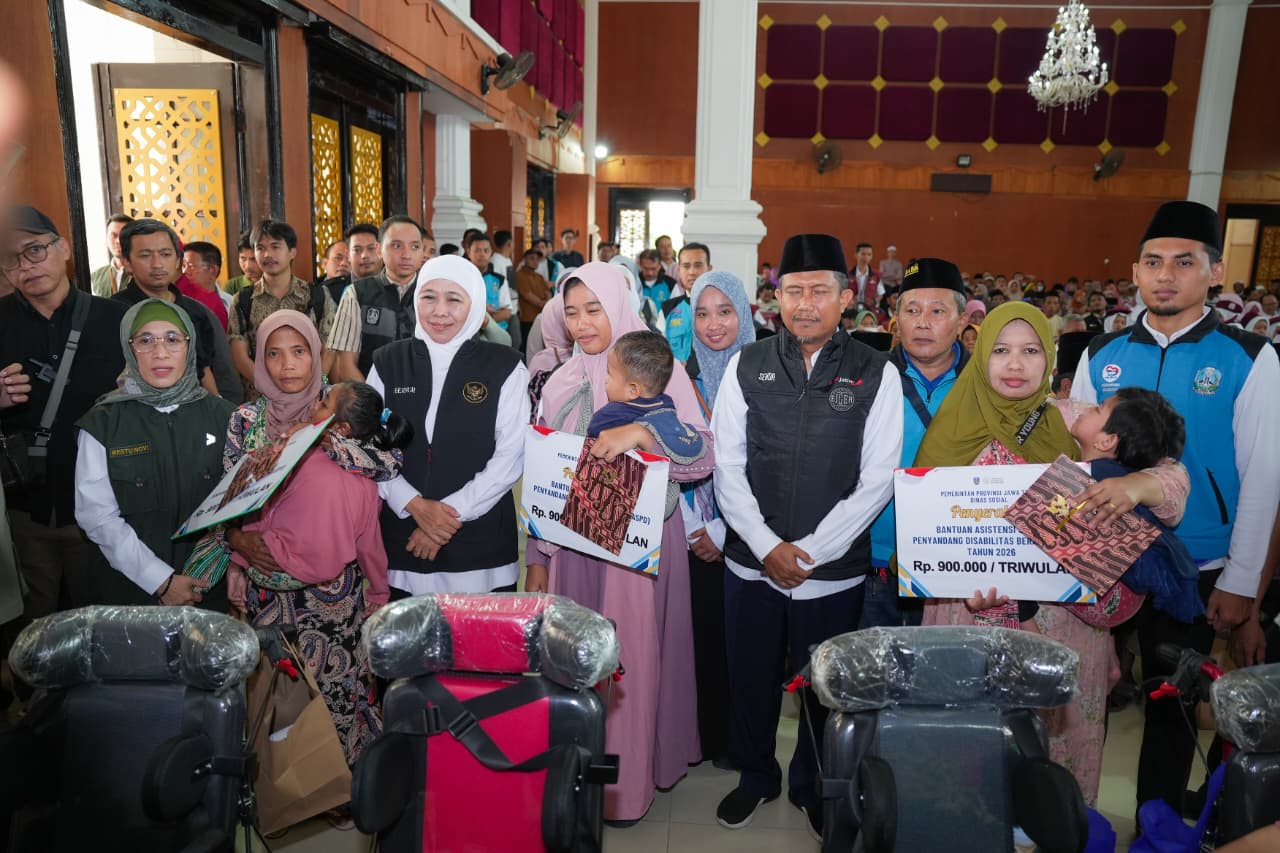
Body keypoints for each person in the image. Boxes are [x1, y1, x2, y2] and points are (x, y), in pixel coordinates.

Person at [1071, 200, 1280, 816]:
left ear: (1215, 272)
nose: (1166, 275)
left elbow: (1264, 476)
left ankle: (1155, 826)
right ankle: (1075, 814)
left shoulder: (1249, 355)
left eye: (1184, 262)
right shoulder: (1102, 351)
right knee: (1086, 694)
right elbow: (1073, 456)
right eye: (1153, 262)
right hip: (1104, 559)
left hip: (1196, 562)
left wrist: (1242, 581)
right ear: (1135, 271)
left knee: (1171, 706)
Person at [711, 234, 902, 838]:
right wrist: (767, 546)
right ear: (777, 298)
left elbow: (878, 478)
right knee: (750, 677)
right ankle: (756, 775)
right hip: (752, 564)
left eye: (819, 291)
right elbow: (726, 465)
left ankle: (813, 786)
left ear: (845, 298)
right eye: (793, 291)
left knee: (823, 687)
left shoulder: (876, 372)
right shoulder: (747, 364)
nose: (804, 303)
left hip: (832, 572)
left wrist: (812, 552)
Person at [524, 261, 711, 822]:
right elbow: (541, 473)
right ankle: (575, 779)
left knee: (631, 656)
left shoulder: (656, 368)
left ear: (619, 305)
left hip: (637, 552)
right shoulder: (559, 380)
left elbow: (703, 455)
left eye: (594, 309)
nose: (582, 323)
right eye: (572, 312)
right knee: (576, 660)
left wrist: (643, 431)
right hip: (573, 547)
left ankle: (626, 790)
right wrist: (537, 557)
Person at [227, 381, 409, 765]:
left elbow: (260, 514)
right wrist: (379, 593)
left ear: (339, 428)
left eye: (325, 402)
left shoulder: (297, 458)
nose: (316, 404)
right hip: (334, 602)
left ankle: (285, 780)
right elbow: (370, 545)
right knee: (338, 691)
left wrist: (240, 558)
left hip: (277, 592)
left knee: (280, 699)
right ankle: (343, 778)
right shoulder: (368, 478)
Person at [368, 255, 530, 596]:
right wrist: (414, 505)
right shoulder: (389, 362)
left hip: (481, 546)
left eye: (454, 299)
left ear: (475, 305)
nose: (439, 311)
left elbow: (511, 456)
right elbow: (370, 447)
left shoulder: (504, 367)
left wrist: (445, 518)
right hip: (404, 539)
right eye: (429, 297)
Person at [1, 206, 127, 639]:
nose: (26, 265)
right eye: (11, 258)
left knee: (104, 628)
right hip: (24, 511)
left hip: (104, 508)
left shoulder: (115, 320)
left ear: (64, 249)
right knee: (32, 636)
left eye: (35, 250)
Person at [74, 300, 234, 609]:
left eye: (173, 339)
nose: (160, 352)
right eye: (145, 340)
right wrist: (160, 581)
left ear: (190, 345)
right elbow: (97, 517)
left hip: (208, 589)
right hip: (131, 595)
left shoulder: (226, 417)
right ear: (129, 348)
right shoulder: (103, 423)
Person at [861, 258, 970, 629]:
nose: (923, 322)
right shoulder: (866, 378)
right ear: (896, 320)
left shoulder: (986, 385)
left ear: (962, 321)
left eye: (937, 311)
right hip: (874, 564)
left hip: (960, 567)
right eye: (912, 310)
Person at [682, 270, 756, 768]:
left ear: (743, 314)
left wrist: (721, 529)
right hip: (692, 533)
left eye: (725, 311)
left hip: (750, 534)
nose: (713, 324)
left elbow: (766, 464)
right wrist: (695, 527)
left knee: (747, 644)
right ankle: (707, 740)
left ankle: (744, 743)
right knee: (703, 639)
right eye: (703, 314)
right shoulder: (679, 379)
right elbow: (669, 457)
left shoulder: (767, 375)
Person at [112, 218, 221, 396]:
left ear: (178, 260)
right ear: (126, 262)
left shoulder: (195, 311)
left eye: (165, 254)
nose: (157, 264)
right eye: (145, 255)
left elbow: (203, 370)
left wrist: (217, 405)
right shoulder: (112, 312)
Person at [228, 220, 337, 386]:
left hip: (310, 394)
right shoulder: (242, 300)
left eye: (275, 247)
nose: (267, 254)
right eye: (260, 248)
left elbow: (328, 348)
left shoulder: (317, 295)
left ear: (292, 252)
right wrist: (270, 388)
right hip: (260, 395)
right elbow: (239, 357)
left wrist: (311, 387)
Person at [328, 215, 428, 382]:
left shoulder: (433, 293)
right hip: (371, 393)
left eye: (415, 246)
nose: (406, 254)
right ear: (379, 249)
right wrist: (374, 397)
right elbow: (346, 365)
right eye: (397, 246)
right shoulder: (357, 293)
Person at [588, 332, 703, 474]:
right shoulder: (666, 404)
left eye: (610, 374)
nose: (605, 380)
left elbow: (591, 443)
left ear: (633, 390)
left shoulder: (609, 415)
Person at [515, 247, 552, 348]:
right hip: (527, 319)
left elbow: (548, 292)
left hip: (542, 316)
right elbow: (527, 295)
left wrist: (547, 303)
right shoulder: (519, 275)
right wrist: (545, 304)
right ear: (524, 259)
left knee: (541, 346)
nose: (535, 261)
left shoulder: (539, 277)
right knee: (527, 346)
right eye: (531, 258)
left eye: (537, 259)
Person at [90, 214, 133, 297]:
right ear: (106, 238)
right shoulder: (97, 276)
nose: (118, 241)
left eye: (124, 236)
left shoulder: (145, 272)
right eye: (114, 235)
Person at [222, 231, 261, 297]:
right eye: (243, 258)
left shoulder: (275, 284)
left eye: (253, 259)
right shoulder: (233, 286)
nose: (248, 266)